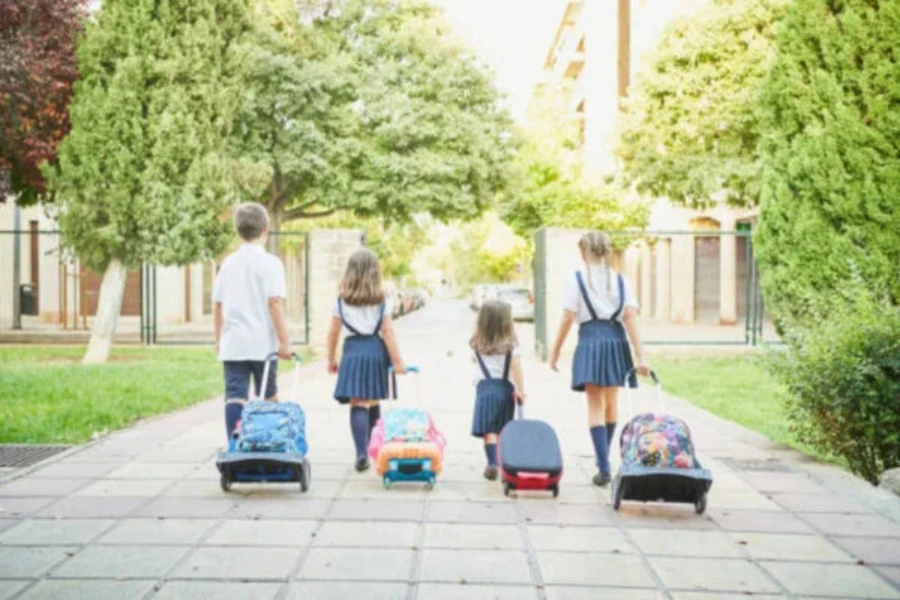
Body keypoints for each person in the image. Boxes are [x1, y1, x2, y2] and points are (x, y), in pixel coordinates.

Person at [548, 231, 649, 487]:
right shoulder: (622, 281)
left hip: (591, 340)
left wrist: (555, 351)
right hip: (616, 341)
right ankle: (603, 459)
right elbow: (630, 318)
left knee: (595, 405)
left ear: (583, 253)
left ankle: (603, 466)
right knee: (611, 405)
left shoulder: (576, 280)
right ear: (607, 252)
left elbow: (567, 317)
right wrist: (640, 356)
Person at [213, 202, 292, 440]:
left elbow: (218, 306)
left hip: (234, 341)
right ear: (265, 230)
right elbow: (274, 303)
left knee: (235, 395)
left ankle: (236, 444)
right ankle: (269, 443)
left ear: (237, 231)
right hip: (262, 344)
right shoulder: (271, 264)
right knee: (268, 394)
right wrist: (285, 342)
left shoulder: (228, 264)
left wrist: (219, 341)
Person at [326, 249, 406, 472]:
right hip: (375, 350)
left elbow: (333, 332)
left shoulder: (341, 301)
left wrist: (331, 358)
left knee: (358, 402)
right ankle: (375, 449)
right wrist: (398, 362)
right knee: (373, 401)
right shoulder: (382, 300)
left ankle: (361, 453)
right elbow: (388, 331)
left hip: (352, 351)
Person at [470, 300, 526, 481]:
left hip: (485, 390)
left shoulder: (477, 343)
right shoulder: (512, 346)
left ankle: (492, 462)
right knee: (502, 428)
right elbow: (516, 368)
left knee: (489, 431)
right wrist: (520, 390)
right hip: (505, 390)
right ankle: (502, 463)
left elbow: (474, 361)